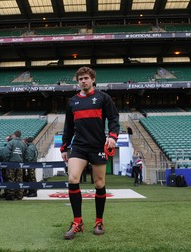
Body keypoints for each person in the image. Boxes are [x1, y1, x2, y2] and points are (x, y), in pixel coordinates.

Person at [61, 66, 119, 239]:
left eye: (86, 78)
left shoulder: (103, 98)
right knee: (72, 178)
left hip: (98, 147)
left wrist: (113, 136)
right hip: (78, 146)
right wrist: (64, 146)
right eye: (80, 79)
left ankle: (99, 221)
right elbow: (68, 127)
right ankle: (77, 222)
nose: (83, 81)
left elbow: (114, 118)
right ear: (77, 81)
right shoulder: (72, 102)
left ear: (93, 79)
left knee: (99, 184)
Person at [3, 131, 27, 200]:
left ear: (14, 135)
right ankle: (19, 194)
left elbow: (6, 153)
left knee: (11, 179)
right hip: (20, 164)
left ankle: (11, 195)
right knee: (19, 179)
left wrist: (6, 161)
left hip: (11, 163)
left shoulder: (11, 142)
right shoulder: (23, 144)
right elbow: (25, 154)